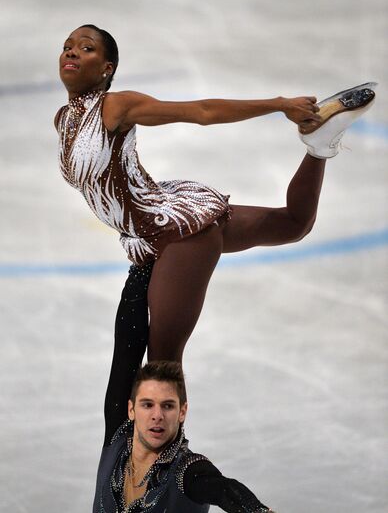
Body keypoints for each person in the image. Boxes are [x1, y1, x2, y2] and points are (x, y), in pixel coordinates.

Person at [56, 24, 376, 363]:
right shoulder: (63, 120)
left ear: (107, 69)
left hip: (171, 229)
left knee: (163, 363)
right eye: (67, 46)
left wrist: (279, 104)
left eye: (86, 47)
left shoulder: (116, 106)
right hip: (152, 222)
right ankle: (319, 147)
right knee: (293, 224)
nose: (72, 51)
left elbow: (202, 112)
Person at [94, 262, 273, 513]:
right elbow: (126, 349)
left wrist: (257, 510)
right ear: (131, 409)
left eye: (167, 405)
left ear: (182, 411)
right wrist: (141, 266)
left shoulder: (185, 472)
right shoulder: (118, 441)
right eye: (147, 404)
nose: (157, 415)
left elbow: (223, 489)